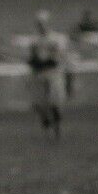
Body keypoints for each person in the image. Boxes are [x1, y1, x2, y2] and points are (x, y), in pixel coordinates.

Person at [27, 10, 71, 139]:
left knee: (54, 103)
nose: (41, 25)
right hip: (39, 74)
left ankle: (57, 128)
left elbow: (57, 58)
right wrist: (34, 63)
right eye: (39, 23)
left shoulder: (57, 39)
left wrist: (44, 61)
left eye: (43, 23)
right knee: (40, 104)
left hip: (54, 73)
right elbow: (32, 58)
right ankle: (46, 128)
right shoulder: (34, 40)